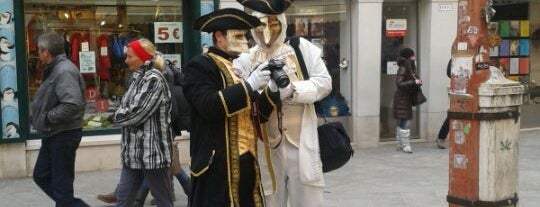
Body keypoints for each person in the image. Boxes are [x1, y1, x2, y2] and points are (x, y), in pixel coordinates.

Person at [234, 1, 332, 206]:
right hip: (265, 145)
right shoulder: (246, 58)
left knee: (308, 198)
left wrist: (293, 90)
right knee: (269, 198)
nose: (268, 31)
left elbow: (324, 83)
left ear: (282, 22)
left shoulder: (301, 49)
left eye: (273, 23)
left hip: (301, 142)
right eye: (261, 25)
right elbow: (240, 95)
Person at [183, 8, 280, 207]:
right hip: (218, 165)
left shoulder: (238, 67)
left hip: (248, 161)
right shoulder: (200, 65)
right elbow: (208, 106)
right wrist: (249, 85)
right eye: (238, 35)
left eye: (245, 35)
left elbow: (257, 116)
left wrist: (273, 90)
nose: (244, 40)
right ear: (219, 37)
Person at [113, 38, 173, 207]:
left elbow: (136, 113)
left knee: (163, 201)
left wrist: (115, 117)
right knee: (123, 201)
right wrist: (121, 112)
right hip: (132, 153)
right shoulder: (136, 77)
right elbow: (126, 106)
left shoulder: (154, 79)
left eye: (129, 56)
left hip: (152, 153)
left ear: (141, 57)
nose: (125, 60)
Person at [32, 31, 88, 207]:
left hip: (63, 134)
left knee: (61, 185)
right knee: (41, 175)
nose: (38, 54)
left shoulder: (63, 71)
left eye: (39, 51)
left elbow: (73, 104)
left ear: (45, 52)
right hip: (54, 134)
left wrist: (48, 118)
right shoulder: (54, 69)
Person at [393, 48, 422, 154]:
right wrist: (413, 82)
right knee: (405, 121)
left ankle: (400, 144)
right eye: (413, 55)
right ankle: (405, 146)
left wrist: (417, 81)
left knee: (403, 121)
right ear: (409, 56)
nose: (414, 57)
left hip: (405, 98)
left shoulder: (409, 66)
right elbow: (399, 83)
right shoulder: (404, 67)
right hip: (402, 98)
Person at [436, 59, 452, 149]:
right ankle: (441, 137)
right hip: (458, 88)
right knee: (453, 114)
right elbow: (449, 73)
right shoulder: (454, 58)